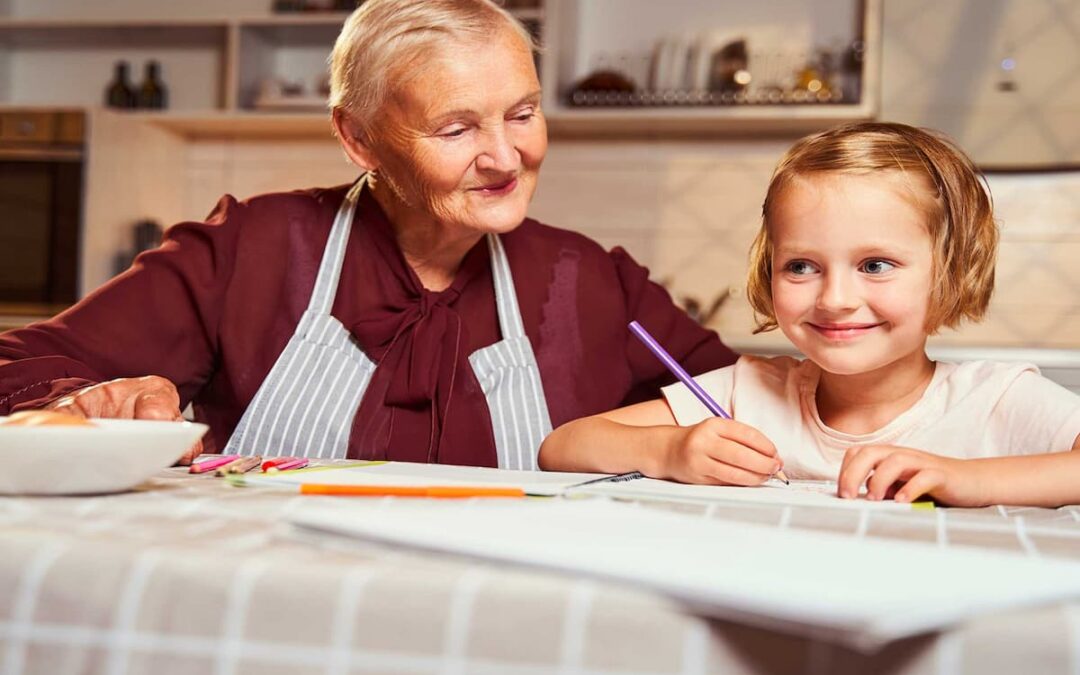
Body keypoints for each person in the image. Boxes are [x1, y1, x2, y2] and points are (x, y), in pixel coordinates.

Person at [0, 0, 736, 467]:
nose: (508, 157)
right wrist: (91, 401)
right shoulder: (252, 249)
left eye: (522, 113)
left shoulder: (589, 277)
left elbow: (737, 397)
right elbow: (18, 364)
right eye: (457, 127)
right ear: (358, 139)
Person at [539, 122, 1080, 507]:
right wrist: (670, 450)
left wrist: (971, 480)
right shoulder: (745, 394)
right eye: (801, 266)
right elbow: (561, 446)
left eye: (875, 264)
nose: (834, 298)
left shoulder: (993, 401)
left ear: (952, 273)